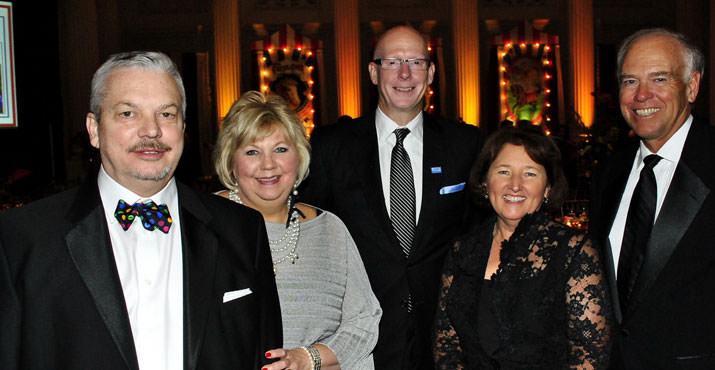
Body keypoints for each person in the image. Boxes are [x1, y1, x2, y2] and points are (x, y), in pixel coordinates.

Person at [0, 51, 282, 369]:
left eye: (166, 114)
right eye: (128, 114)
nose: (151, 131)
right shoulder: (24, 239)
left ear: (183, 129)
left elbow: (265, 356)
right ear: (94, 129)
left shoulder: (242, 230)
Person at [300, 25, 482, 369]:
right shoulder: (331, 146)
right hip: (360, 338)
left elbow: (479, 235)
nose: (404, 73)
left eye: (415, 62)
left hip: (444, 339)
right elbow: (313, 238)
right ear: (372, 72)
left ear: (430, 73)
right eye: (392, 62)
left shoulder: (465, 144)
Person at [213, 90, 381, 370]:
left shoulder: (330, 230)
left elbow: (364, 321)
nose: (268, 165)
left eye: (280, 149)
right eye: (252, 151)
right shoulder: (204, 225)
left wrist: (308, 358)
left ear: (299, 157)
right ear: (231, 161)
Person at [434, 126, 612, 369]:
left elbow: (590, 357)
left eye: (530, 174)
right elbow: (446, 345)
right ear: (485, 182)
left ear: (548, 188)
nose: (515, 185)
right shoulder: (462, 250)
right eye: (504, 171)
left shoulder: (574, 252)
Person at [590, 28, 715, 369]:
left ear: (692, 86)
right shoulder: (609, 172)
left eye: (659, 78)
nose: (642, 95)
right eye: (630, 81)